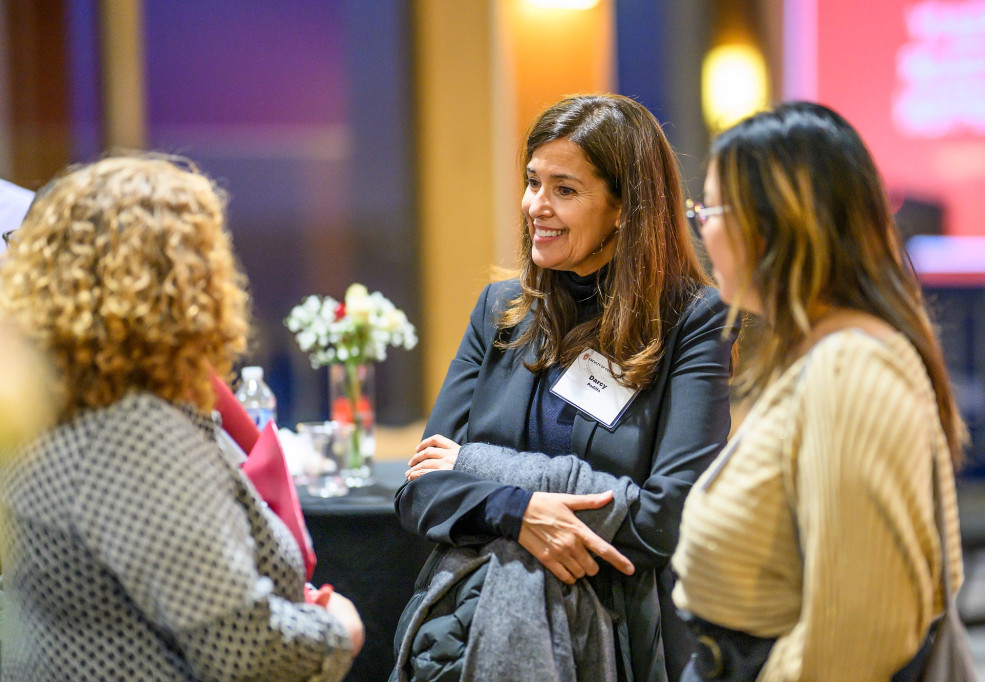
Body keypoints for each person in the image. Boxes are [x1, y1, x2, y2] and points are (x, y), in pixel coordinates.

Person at [394, 94, 735, 681]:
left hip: (623, 636)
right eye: (532, 182)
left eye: (565, 190)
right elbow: (420, 491)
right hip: (472, 629)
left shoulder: (692, 322)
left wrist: (487, 473)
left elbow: (666, 520)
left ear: (627, 208)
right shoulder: (501, 311)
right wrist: (517, 511)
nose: (536, 206)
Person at [0, 154, 364, 680]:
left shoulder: (46, 408)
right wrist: (339, 629)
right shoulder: (134, 433)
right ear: (178, 282)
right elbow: (243, 649)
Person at [672, 102, 966, 680]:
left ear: (774, 220)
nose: (701, 225)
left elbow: (859, 640)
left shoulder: (848, 367)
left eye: (710, 207)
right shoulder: (825, 353)